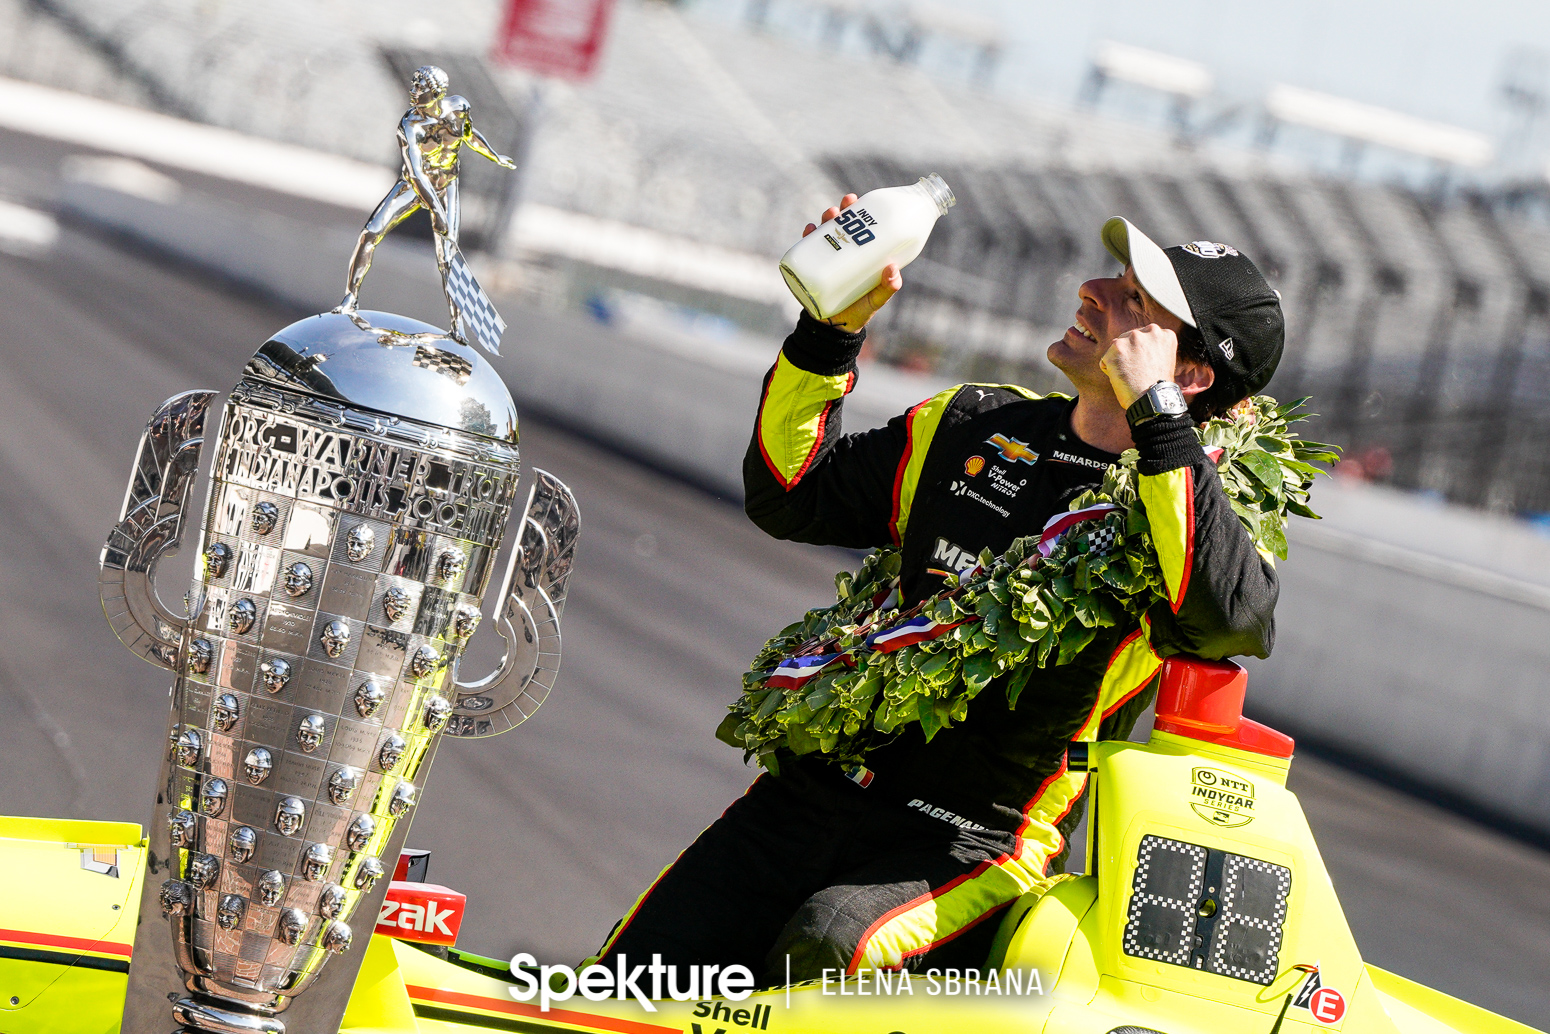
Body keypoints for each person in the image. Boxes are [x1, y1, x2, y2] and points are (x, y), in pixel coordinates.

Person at [592, 198, 1284, 983]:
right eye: (1112, 277)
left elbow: (1234, 618)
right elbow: (790, 493)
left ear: (1189, 373)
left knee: (831, 946)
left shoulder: (1191, 512)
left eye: (1133, 301)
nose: (1091, 289)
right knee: (630, 978)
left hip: (972, 843)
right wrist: (828, 331)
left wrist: (1157, 418)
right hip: (815, 788)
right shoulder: (975, 421)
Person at [335, 64, 516, 337]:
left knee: (448, 256)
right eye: (413, 85)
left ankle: (457, 326)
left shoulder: (458, 109)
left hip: (447, 185)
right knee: (369, 234)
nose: (413, 91)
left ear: (436, 93)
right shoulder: (409, 126)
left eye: (420, 88)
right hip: (413, 185)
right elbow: (417, 174)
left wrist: (495, 156)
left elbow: (470, 135)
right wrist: (437, 212)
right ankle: (350, 298)